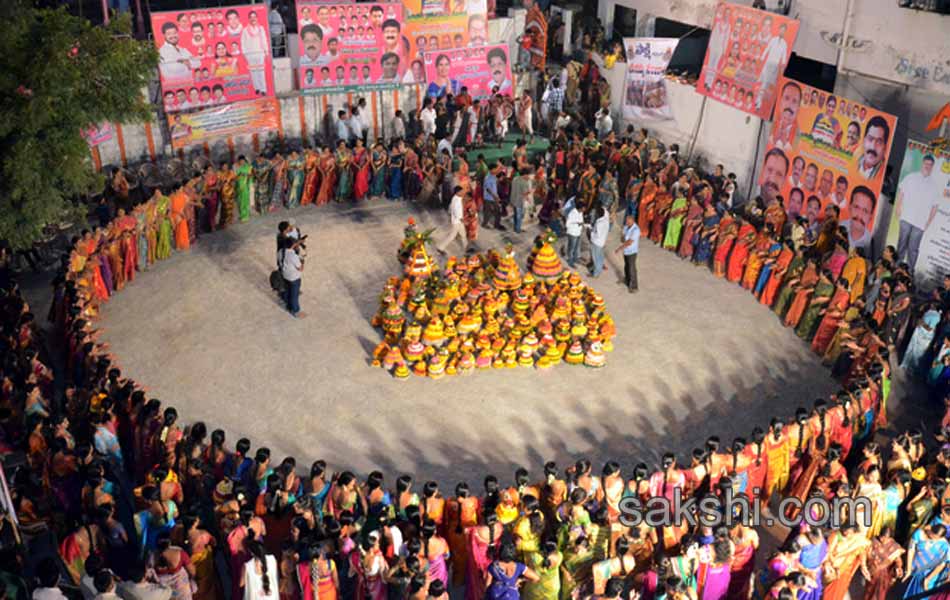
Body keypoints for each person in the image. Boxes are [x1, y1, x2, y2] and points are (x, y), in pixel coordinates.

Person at [895, 154, 939, 272]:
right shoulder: (911, 177)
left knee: (913, 249)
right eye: (926, 164)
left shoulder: (934, 186)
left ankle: (908, 273)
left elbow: (935, 206)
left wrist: (928, 222)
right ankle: (896, 269)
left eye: (930, 165)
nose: (927, 166)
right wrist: (898, 207)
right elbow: (901, 192)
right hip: (906, 217)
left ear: (932, 167)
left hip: (920, 223)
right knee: (901, 244)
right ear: (922, 163)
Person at [279, 236, 304, 318]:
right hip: (293, 278)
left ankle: (286, 303)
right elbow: (300, 268)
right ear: (293, 245)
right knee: (294, 294)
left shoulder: (281, 251)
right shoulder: (293, 256)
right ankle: (295, 310)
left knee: (287, 290)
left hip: (285, 275)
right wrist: (302, 261)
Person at [436, 186, 466, 254]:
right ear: (457, 192)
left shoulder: (457, 198)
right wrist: (461, 219)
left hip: (458, 221)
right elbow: (455, 211)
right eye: (461, 191)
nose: (462, 192)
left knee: (463, 234)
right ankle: (441, 247)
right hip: (457, 221)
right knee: (452, 236)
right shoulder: (456, 200)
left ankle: (466, 247)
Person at [616, 214, 640, 293]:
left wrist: (619, 248)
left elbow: (629, 242)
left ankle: (634, 286)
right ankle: (627, 280)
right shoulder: (626, 227)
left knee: (632, 268)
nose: (626, 223)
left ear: (633, 221)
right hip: (626, 251)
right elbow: (622, 239)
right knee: (626, 266)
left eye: (628, 221)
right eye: (626, 221)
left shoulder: (636, 230)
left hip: (632, 252)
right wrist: (622, 235)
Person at [589, 206, 610, 278]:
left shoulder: (599, 223)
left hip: (596, 242)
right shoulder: (606, 219)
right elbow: (605, 211)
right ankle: (599, 269)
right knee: (600, 257)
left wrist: (591, 232)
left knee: (596, 258)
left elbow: (597, 234)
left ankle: (595, 274)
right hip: (602, 242)